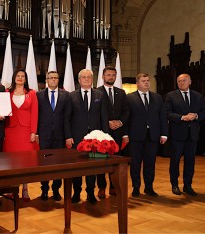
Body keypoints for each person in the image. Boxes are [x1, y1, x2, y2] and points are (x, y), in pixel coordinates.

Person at [65, 69, 109, 204]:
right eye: (83, 77)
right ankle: (76, 193)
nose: (86, 79)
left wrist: (105, 136)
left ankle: (90, 192)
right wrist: (68, 136)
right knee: (76, 167)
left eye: (88, 77)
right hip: (76, 137)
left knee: (92, 168)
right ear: (79, 80)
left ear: (92, 79)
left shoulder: (100, 95)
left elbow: (104, 117)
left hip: (95, 137)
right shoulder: (71, 96)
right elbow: (66, 118)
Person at [126, 73, 168, 197]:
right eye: (143, 81)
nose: (146, 83)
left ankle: (149, 187)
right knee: (135, 164)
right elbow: (127, 118)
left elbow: (162, 116)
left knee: (150, 163)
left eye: (148, 80)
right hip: (135, 136)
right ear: (137, 83)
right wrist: (125, 135)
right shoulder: (129, 98)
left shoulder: (157, 97)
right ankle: (136, 187)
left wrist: (164, 134)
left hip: (153, 136)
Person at [164, 74, 205, 196]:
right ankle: (175, 185)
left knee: (190, 161)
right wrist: (182, 117)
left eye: (184, 81)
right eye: (179, 81)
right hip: (177, 134)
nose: (181, 83)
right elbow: (167, 113)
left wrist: (196, 116)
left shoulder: (198, 96)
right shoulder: (170, 95)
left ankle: (188, 186)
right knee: (175, 161)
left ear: (190, 82)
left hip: (192, 135)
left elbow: (203, 112)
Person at [3, 69, 38, 202]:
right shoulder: (7, 93)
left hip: (26, 131)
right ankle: (13, 189)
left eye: (23, 76)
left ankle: (25, 189)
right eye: (18, 76)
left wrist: (33, 131)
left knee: (25, 162)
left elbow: (35, 113)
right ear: (14, 78)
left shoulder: (31, 93)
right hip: (10, 130)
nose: (20, 78)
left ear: (25, 79)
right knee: (12, 161)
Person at [36, 71, 70, 201]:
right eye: (51, 78)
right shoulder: (38, 95)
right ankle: (44, 189)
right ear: (46, 80)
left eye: (56, 78)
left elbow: (67, 117)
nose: (53, 80)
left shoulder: (65, 95)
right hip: (44, 135)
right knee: (44, 165)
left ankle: (56, 190)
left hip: (60, 136)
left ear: (58, 80)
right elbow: (37, 116)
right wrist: (37, 133)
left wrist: (67, 135)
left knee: (58, 165)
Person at [96, 66, 129, 198]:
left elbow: (127, 111)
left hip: (118, 132)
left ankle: (114, 187)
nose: (111, 77)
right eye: (108, 75)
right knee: (101, 162)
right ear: (103, 77)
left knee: (115, 161)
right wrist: (107, 122)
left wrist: (120, 122)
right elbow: (94, 113)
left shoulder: (121, 92)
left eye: (113, 75)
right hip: (102, 132)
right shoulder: (96, 92)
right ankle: (102, 187)